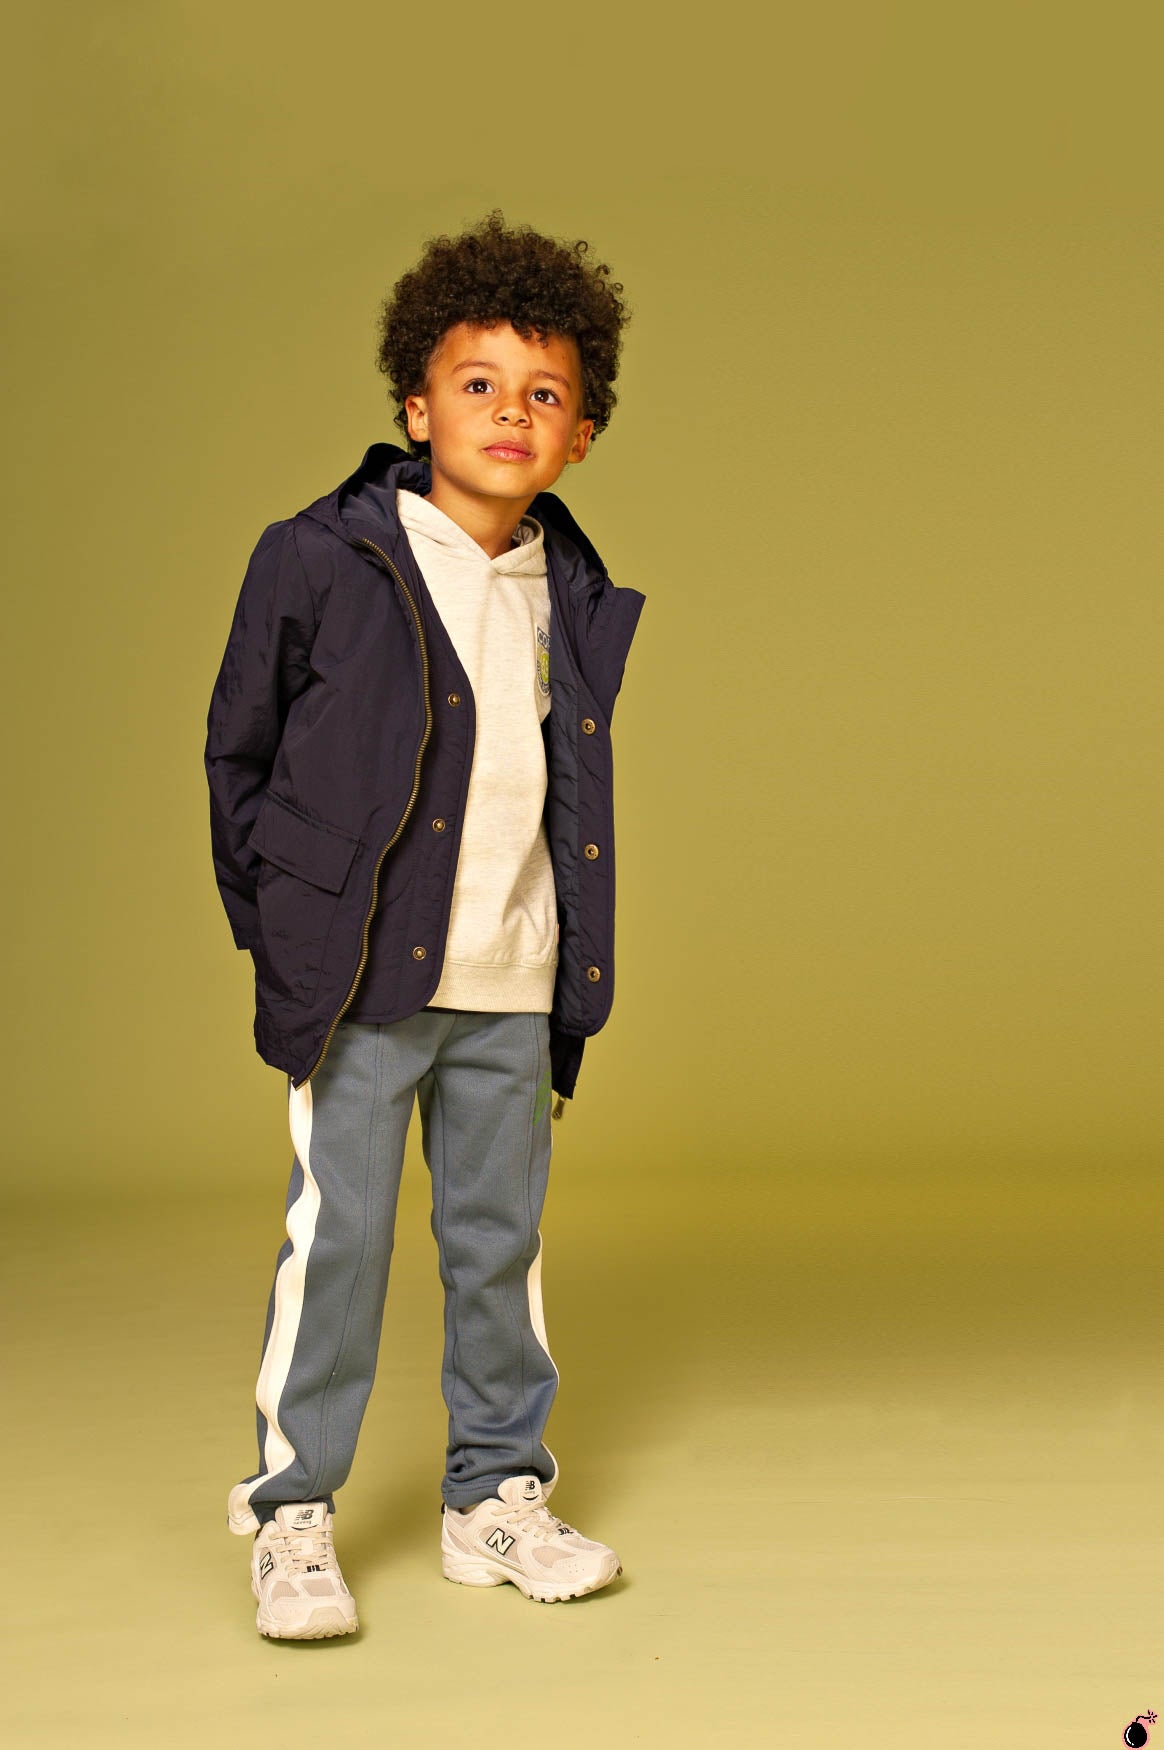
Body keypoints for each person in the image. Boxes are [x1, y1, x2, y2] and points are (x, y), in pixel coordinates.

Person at [204, 209, 647, 1639]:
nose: (510, 412)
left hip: (515, 979)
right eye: (478, 383)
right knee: (336, 1245)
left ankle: (493, 1497)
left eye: (544, 393)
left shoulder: (568, 588)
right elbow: (240, 754)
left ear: (580, 435)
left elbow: (564, 789)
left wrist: (572, 964)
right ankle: (292, 1512)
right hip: (359, 982)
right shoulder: (321, 557)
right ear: (416, 405)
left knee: (496, 1246)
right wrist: (287, 934)